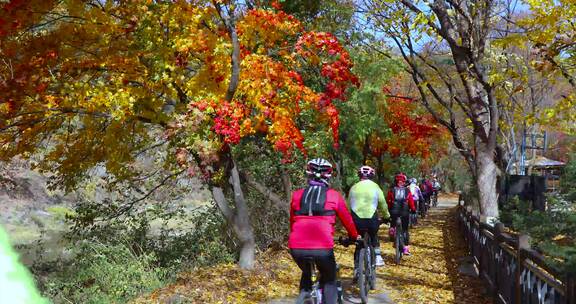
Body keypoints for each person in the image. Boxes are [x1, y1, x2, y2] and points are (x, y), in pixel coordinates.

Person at [288, 158, 359, 304]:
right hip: (323, 248)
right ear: (329, 176)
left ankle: (304, 294)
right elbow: (347, 220)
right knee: (329, 279)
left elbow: (292, 221)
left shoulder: (296, 195)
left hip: (296, 247)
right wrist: (354, 236)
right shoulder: (334, 195)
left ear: (308, 175)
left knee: (307, 274)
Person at [348, 165, 390, 270]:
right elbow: (383, 204)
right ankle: (378, 256)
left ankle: (357, 269)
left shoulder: (353, 187)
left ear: (359, 176)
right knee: (373, 234)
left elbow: (348, 206)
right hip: (371, 220)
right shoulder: (375, 187)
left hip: (356, 220)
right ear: (372, 176)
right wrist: (386, 216)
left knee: (359, 243)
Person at [387, 173, 416, 255]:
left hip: (394, 211)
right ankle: (406, 248)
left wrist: (389, 209)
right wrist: (413, 209)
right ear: (404, 182)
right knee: (405, 230)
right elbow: (411, 201)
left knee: (393, 220)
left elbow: (388, 201)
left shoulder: (391, 190)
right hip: (405, 212)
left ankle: (392, 229)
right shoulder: (407, 190)